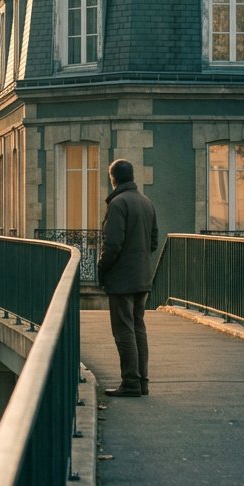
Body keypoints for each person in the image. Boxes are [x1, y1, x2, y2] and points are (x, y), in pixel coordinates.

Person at [97, 159, 159, 397]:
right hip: (142, 275)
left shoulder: (118, 204)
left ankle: (130, 382)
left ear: (113, 178)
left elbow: (112, 244)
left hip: (122, 279)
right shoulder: (146, 202)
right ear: (132, 176)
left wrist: (103, 270)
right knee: (138, 328)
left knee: (123, 330)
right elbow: (153, 241)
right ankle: (142, 381)